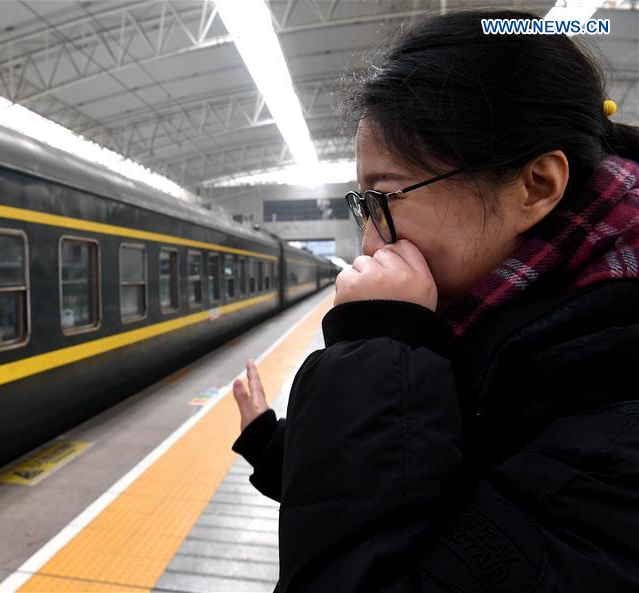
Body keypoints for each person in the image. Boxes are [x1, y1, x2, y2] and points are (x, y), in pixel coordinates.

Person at [230, 9, 639, 592]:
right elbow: (449, 490)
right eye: (362, 205)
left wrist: (376, 342)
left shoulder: (614, 406)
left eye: (386, 198)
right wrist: (278, 451)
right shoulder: (530, 327)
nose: (370, 243)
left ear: (536, 187)